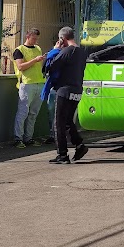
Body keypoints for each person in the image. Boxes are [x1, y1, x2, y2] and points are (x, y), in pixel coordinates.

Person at [48, 27, 88, 164]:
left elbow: (50, 66)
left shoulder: (67, 51)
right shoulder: (82, 52)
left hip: (64, 91)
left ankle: (62, 155)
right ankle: (80, 145)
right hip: (77, 90)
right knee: (68, 121)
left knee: (58, 123)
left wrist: (55, 49)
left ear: (62, 39)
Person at [12, 28, 46, 148]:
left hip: (39, 83)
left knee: (33, 113)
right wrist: (35, 60)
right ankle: (18, 138)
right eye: (33, 38)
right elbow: (20, 66)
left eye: (37, 39)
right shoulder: (19, 50)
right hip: (27, 84)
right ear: (28, 36)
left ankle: (28, 138)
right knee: (23, 112)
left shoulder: (38, 49)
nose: (35, 41)